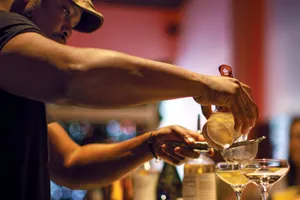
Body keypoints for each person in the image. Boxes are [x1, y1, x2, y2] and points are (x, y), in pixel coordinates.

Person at [0, 0, 258, 199]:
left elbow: (70, 164)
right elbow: (72, 73)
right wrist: (203, 85)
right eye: (65, 11)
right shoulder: (3, 26)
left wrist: (152, 144)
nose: (68, 30)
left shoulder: (23, 86)